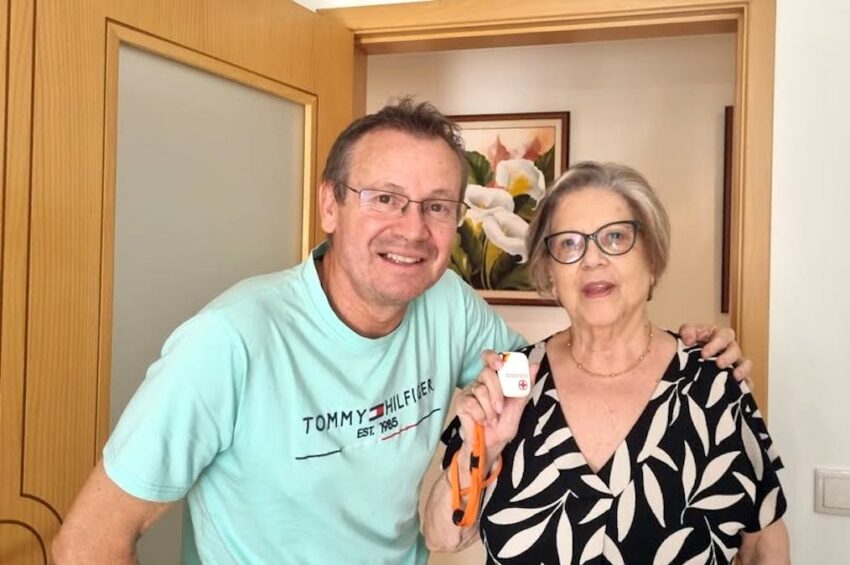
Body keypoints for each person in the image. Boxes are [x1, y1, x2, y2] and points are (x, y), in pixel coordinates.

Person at [53, 102, 749, 564]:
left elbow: (534, 371)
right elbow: (86, 544)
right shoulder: (228, 341)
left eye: (437, 206)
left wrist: (676, 351)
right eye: (385, 198)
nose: (412, 230)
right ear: (329, 205)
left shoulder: (444, 304)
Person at [422, 161, 789, 564]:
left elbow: (762, 547)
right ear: (550, 274)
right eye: (569, 244)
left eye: (615, 237)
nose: (592, 259)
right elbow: (442, 537)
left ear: (652, 259)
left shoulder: (713, 384)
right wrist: (485, 449)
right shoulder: (514, 378)